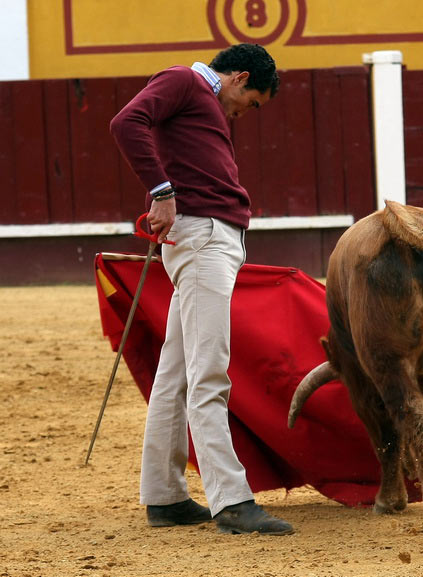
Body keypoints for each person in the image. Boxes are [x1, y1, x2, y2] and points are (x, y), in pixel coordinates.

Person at [110, 43, 293, 535]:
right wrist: (162, 191)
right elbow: (125, 123)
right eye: (251, 101)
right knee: (209, 369)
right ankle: (231, 500)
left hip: (206, 237)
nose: (244, 112)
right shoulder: (183, 81)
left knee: (176, 372)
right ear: (238, 77)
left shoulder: (200, 99)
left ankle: (165, 497)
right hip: (203, 237)